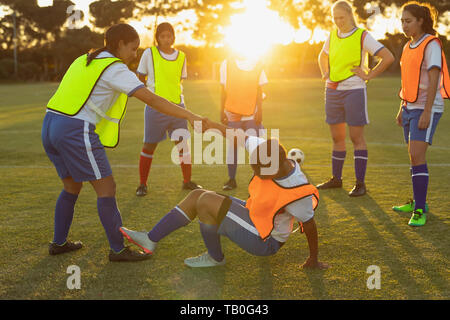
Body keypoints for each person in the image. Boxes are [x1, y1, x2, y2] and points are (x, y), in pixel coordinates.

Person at [42, 23, 212, 262]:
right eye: (133, 48)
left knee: (71, 187)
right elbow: (151, 99)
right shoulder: (114, 68)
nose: (135, 54)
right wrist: (190, 115)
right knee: (107, 189)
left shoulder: (85, 59)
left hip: (50, 125)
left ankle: (58, 243)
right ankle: (118, 250)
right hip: (74, 130)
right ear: (119, 44)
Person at [120, 131, 329, 270]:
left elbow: (309, 224)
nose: (256, 173)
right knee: (196, 196)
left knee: (205, 201)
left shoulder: (296, 188)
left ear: (275, 167)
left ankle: (215, 257)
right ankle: (151, 238)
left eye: (260, 171)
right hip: (254, 216)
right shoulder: (266, 152)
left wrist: (313, 259)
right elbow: (239, 136)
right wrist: (211, 125)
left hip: (266, 240)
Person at [316, 0, 394, 196]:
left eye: (341, 17)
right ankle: (336, 179)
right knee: (337, 137)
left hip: (354, 91)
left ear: (350, 16)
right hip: (332, 91)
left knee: (356, 137)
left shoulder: (362, 36)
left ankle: (360, 184)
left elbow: (388, 57)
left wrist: (369, 75)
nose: (338, 22)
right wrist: (325, 73)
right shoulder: (332, 36)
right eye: (335, 18)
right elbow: (322, 56)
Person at [392, 2, 449, 227]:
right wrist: (401, 108)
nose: (404, 25)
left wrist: (427, 111)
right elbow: (408, 81)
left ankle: (419, 210)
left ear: (421, 21)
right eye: (402, 21)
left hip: (426, 108)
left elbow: (434, 78)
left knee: (417, 155)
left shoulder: (431, 44)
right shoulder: (408, 46)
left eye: (408, 21)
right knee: (413, 156)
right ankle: (418, 201)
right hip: (409, 107)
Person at [135, 22, 201, 197]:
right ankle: (142, 184)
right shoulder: (149, 53)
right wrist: (150, 96)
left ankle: (187, 181)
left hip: (177, 107)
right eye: (162, 36)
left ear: (173, 37)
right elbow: (140, 76)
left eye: (169, 35)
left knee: (182, 146)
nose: (166, 39)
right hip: (155, 107)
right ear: (158, 38)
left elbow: (179, 80)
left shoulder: (181, 56)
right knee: (149, 145)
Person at [219, 54, 268, 190]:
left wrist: (260, 111)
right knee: (233, 146)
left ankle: (257, 180)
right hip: (232, 113)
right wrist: (221, 110)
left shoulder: (257, 63)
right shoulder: (226, 63)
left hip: (252, 113)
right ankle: (231, 179)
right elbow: (223, 90)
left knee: (256, 147)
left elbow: (259, 90)